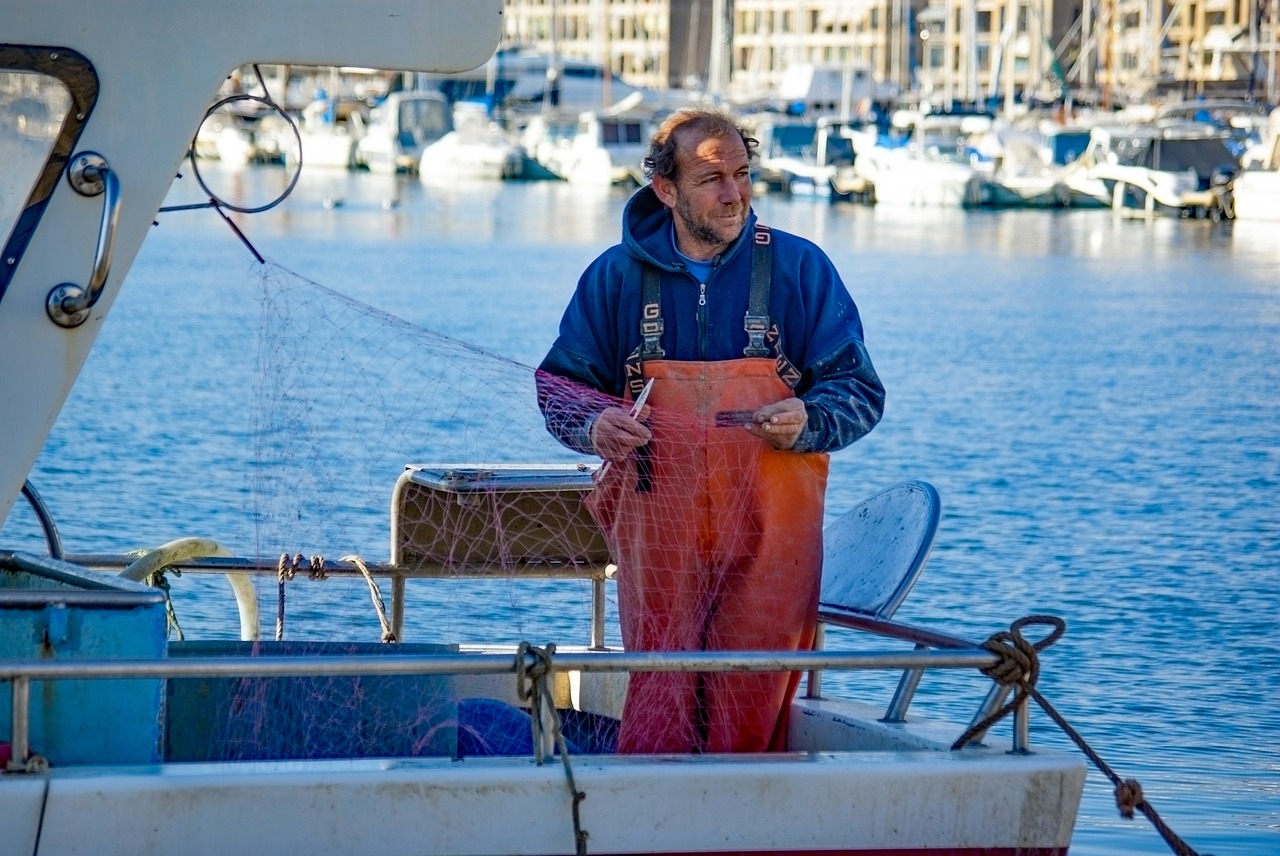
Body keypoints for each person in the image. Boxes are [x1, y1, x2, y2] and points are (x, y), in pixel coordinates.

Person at [535, 107, 885, 754]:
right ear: (665, 190)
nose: (734, 193)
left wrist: (811, 419)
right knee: (659, 686)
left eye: (742, 174)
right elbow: (559, 389)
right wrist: (593, 423)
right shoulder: (613, 278)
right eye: (712, 178)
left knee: (753, 697)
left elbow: (860, 392)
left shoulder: (800, 270)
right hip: (657, 535)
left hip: (771, 534)